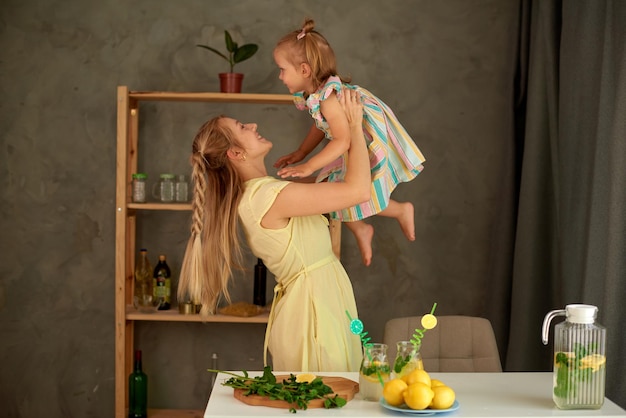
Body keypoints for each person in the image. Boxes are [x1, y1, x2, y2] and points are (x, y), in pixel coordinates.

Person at [178, 89, 369, 372]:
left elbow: (332, 183)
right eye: (242, 127)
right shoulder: (265, 197)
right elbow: (359, 191)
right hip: (312, 314)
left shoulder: (264, 192)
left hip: (317, 304)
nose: (253, 125)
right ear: (236, 153)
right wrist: (352, 127)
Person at [273, 18, 426, 267]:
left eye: (282, 69)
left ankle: (398, 211)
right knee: (336, 189)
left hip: (359, 142)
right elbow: (321, 127)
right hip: (349, 144)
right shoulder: (317, 96)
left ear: (304, 70)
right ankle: (361, 228)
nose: (280, 76)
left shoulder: (328, 98)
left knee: (351, 189)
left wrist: (309, 166)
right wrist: (300, 151)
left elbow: (343, 140)